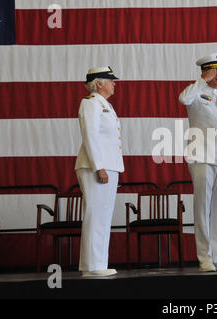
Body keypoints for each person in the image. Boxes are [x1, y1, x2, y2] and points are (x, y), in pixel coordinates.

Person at [179, 53, 217, 272]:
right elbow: (183, 99)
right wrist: (202, 81)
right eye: (216, 71)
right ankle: (204, 256)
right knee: (202, 206)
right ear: (206, 71)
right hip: (202, 156)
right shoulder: (195, 92)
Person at [75, 66, 124, 277]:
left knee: (103, 217)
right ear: (99, 83)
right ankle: (91, 266)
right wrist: (99, 166)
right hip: (96, 165)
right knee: (94, 215)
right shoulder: (91, 104)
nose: (114, 83)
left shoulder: (105, 105)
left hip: (109, 165)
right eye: (110, 80)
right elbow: (90, 136)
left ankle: (99, 264)